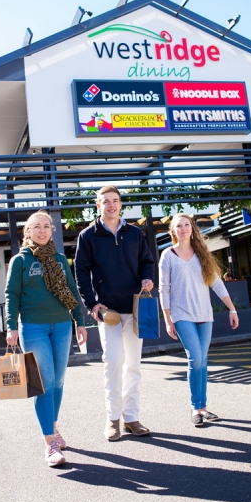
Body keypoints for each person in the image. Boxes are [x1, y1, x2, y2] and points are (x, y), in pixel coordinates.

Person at [5, 210, 87, 467]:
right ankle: (50, 443)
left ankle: (53, 425)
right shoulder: (20, 261)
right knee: (45, 382)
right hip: (33, 327)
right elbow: (12, 295)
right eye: (36, 227)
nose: (41, 230)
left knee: (59, 380)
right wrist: (11, 326)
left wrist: (79, 321)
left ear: (51, 230)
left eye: (46, 226)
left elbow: (71, 292)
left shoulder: (60, 259)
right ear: (27, 232)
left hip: (62, 325)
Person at [75, 185, 155, 441]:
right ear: (97, 205)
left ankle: (131, 418)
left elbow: (147, 261)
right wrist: (92, 303)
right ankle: (113, 420)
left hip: (134, 308)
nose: (111, 205)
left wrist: (147, 279)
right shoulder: (88, 236)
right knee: (113, 363)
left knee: (133, 365)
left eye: (115, 201)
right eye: (106, 201)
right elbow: (81, 273)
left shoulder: (134, 233)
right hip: (107, 312)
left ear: (121, 204)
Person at [159, 213, 239, 427]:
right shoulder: (168, 255)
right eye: (179, 226)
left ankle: (203, 407)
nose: (183, 228)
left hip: (204, 315)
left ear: (192, 228)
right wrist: (168, 320)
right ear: (173, 231)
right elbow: (164, 290)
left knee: (202, 360)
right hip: (181, 314)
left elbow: (217, 284)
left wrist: (232, 309)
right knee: (195, 358)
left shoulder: (202, 254)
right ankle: (195, 407)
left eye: (187, 225)